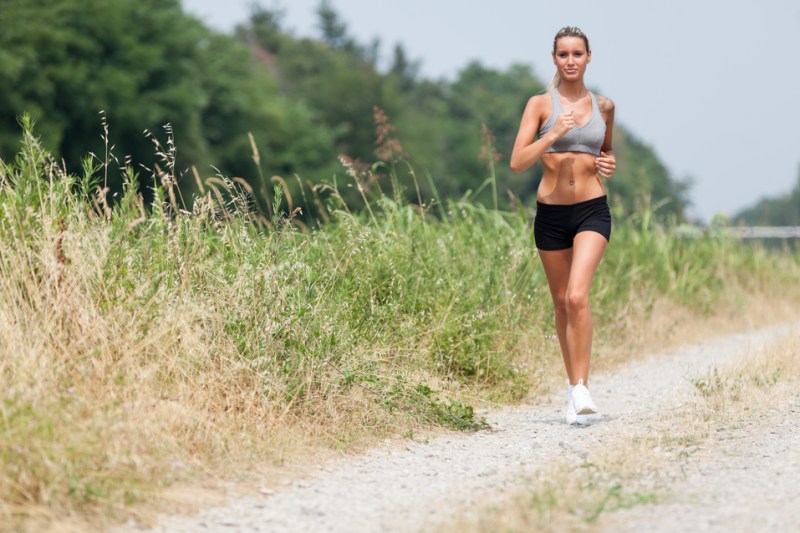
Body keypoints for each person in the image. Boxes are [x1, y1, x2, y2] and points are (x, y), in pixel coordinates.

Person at [510, 26, 616, 425]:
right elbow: (518, 162)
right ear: (554, 59)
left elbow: (606, 154)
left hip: (592, 209)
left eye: (577, 53)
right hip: (551, 215)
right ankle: (574, 391)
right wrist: (553, 132)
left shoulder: (604, 106)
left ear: (589, 57)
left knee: (576, 297)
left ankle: (584, 386)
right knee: (559, 302)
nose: (570, 61)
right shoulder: (540, 104)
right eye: (563, 54)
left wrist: (609, 164)